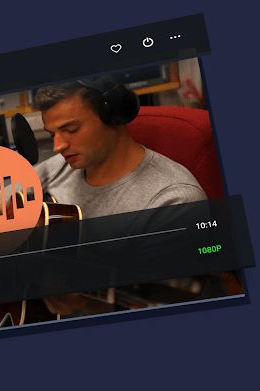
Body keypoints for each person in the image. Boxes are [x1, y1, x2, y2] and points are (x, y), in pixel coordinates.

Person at [31, 77, 207, 316]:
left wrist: (89, 304)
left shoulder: (174, 201)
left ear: (114, 117)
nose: (58, 146)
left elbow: (166, 307)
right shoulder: (62, 166)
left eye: (71, 130)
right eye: (52, 134)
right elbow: (1, 205)